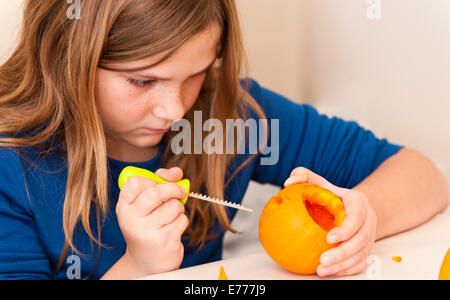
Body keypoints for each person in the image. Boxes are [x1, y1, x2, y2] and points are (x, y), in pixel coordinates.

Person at [0, 0, 448, 280]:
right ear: (65, 59)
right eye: (141, 82)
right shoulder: (11, 161)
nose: (175, 111)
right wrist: (139, 268)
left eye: (195, 74)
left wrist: (364, 215)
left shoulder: (230, 114)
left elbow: (424, 176)